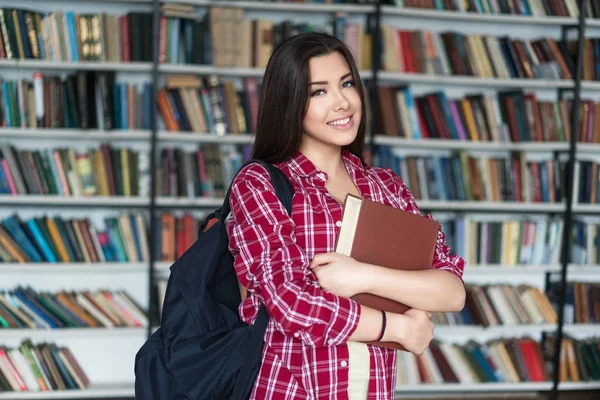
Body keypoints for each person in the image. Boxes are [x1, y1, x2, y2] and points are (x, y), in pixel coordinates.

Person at [225, 32, 466, 400]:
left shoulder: (387, 187)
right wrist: (397, 328)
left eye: (347, 84)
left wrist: (361, 276)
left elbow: (450, 290)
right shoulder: (261, 182)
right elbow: (291, 303)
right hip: (288, 390)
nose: (342, 103)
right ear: (289, 102)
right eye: (318, 92)